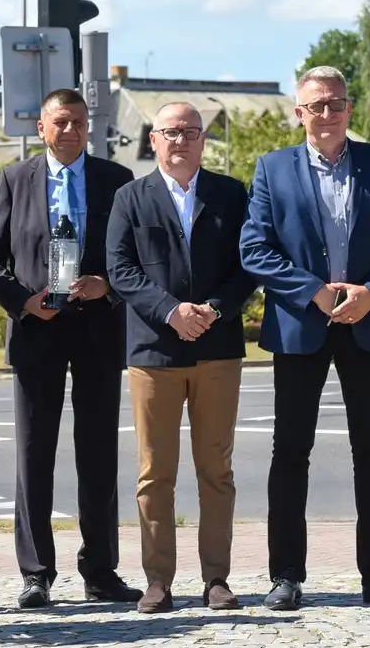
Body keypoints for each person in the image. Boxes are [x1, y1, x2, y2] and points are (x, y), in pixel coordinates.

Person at [239, 65, 370, 611]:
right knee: (290, 452)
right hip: (302, 328)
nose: (327, 114)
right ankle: (286, 576)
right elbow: (256, 250)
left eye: (336, 104)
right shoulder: (272, 170)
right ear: (299, 113)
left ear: (350, 109)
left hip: (369, 325)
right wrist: (313, 292)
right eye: (316, 105)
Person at [0, 88, 140, 608]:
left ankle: (100, 571)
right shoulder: (14, 179)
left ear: (88, 127)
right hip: (37, 331)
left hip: (96, 331)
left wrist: (108, 287)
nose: (69, 130)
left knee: (98, 455)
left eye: (78, 122)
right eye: (60, 122)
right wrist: (25, 303)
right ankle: (36, 573)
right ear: (42, 127)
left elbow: (134, 258)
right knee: (33, 454)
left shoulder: (116, 181)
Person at [105, 101, 257, 613]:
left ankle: (217, 578)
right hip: (153, 352)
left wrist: (212, 309)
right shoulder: (130, 197)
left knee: (216, 470)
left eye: (191, 132)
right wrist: (171, 311)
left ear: (203, 140)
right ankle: (158, 580)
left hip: (217, 349)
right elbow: (120, 270)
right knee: (155, 474)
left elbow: (249, 265)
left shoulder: (232, 195)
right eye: (171, 132)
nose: (181, 141)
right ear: (153, 139)